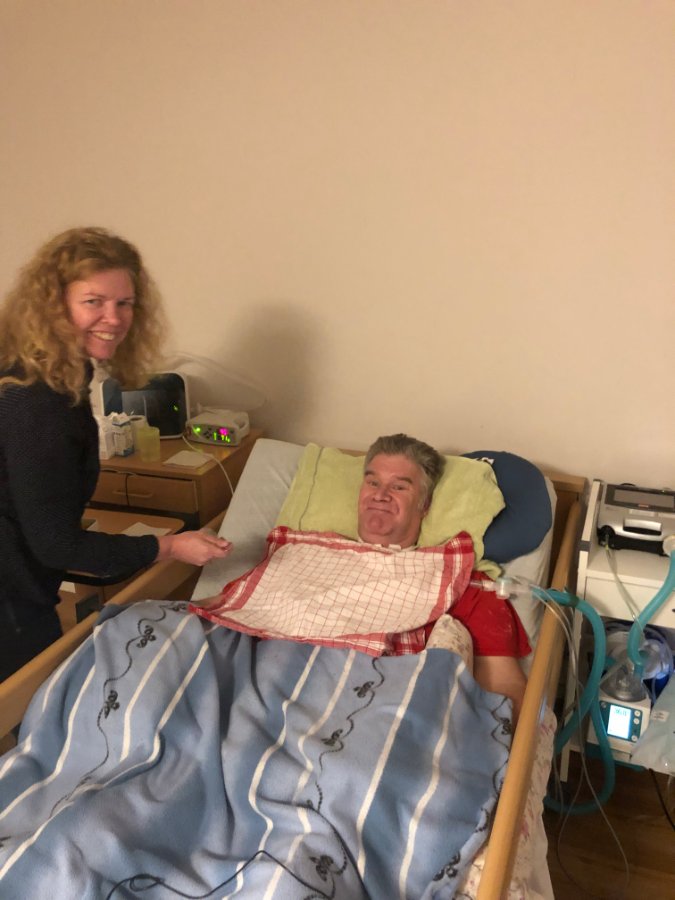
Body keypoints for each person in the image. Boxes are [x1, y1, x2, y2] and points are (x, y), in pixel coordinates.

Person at [0, 226, 231, 681]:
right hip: (9, 600)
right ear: (53, 306)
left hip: (20, 579)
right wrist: (171, 546)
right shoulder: (37, 401)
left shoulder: (44, 373)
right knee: (32, 701)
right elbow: (58, 546)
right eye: (94, 301)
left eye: (125, 303)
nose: (114, 317)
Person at [357, 433, 529, 722]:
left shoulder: (464, 587)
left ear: (424, 506)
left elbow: (507, 693)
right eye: (373, 483)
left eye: (398, 487)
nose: (380, 494)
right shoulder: (302, 557)